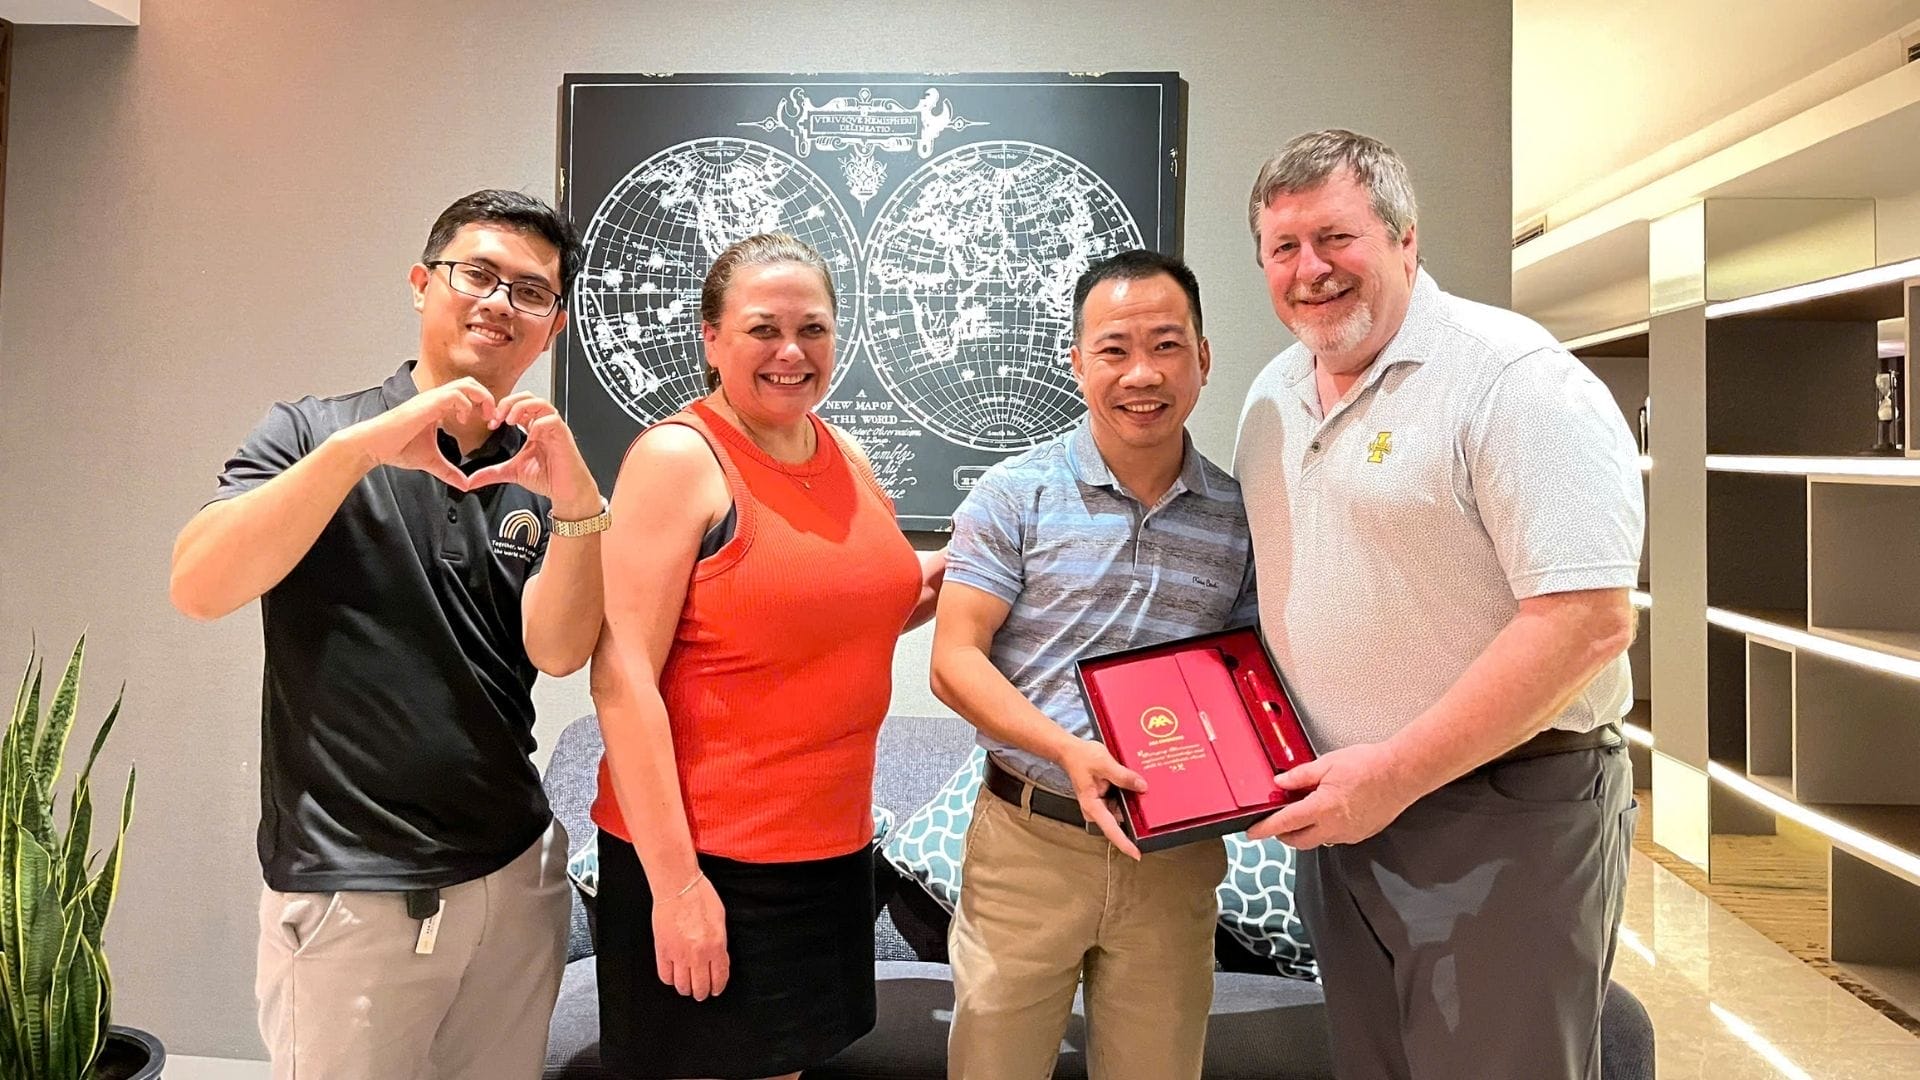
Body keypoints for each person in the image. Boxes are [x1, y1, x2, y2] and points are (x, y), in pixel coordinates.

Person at [1235, 128, 1644, 1080]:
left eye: (1336, 237)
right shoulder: (1273, 394)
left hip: (1505, 811)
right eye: (1283, 248)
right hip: (1344, 820)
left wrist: (1393, 775)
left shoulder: (1513, 381)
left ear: (1405, 238)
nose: (1310, 270)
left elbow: (1589, 620)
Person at [168, 189, 604, 1079]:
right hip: (354, 888)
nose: (498, 303)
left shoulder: (539, 468)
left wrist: (581, 508)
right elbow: (200, 585)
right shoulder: (311, 433)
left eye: (530, 291)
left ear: (551, 327)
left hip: (515, 879)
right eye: (477, 274)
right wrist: (361, 451)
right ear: (421, 284)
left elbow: (558, 651)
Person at [588, 232, 945, 1080]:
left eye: (814, 329)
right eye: (763, 329)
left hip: (826, 853)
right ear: (711, 339)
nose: (793, 352)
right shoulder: (681, 458)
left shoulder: (842, 452)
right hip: (709, 861)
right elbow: (620, 673)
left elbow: (838, 618)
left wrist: (984, 564)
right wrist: (676, 889)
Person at [929, 249, 1258, 1079]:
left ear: (1204, 358)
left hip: (1172, 861)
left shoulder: (1242, 517)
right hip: (1029, 844)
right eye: (1114, 349)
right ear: (1078, 362)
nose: (1141, 373)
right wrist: (1070, 751)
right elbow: (954, 662)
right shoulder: (1015, 494)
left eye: (1167, 345)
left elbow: (1250, 680)